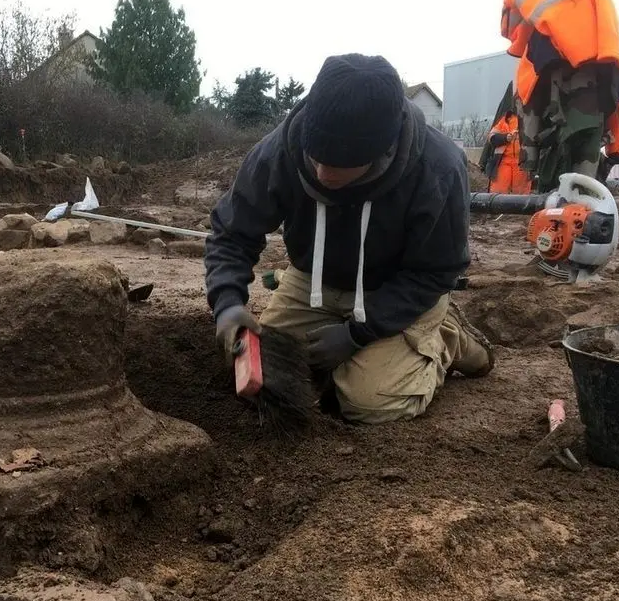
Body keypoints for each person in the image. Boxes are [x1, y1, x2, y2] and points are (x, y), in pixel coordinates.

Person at [204, 53, 495, 426]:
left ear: (382, 151)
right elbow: (231, 231)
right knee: (272, 375)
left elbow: (435, 272)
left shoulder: (438, 169)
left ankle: (445, 340)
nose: (323, 173)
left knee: (366, 401)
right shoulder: (281, 151)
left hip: (401, 291)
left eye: (340, 164)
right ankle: (388, 350)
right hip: (315, 281)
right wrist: (227, 303)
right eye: (317, 157)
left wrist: (357, 334)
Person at [502, 0, 619, 193]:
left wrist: (530, 152)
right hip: (580, 120)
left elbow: (529, 97)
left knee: (559, 191)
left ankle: (563, 221)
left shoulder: (548, 27)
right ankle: (573, 221)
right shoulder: (602, 30)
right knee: (580, 188)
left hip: (564, 123)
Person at [483, 109, 532, 194]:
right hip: (503, 162)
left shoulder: (530, 118)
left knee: (521, 195)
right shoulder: (505, 119)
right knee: (498, 193)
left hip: (522, 162)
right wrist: (506, 138)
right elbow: (492, 138)